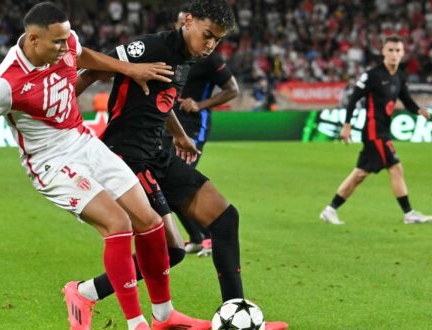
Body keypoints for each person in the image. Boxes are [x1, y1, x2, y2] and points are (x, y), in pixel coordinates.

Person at [0, 3, 209, 330]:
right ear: (33, 40)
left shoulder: (66, 41)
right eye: (58, 43)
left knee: (149, 221)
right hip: (51, 163)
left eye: (67, 39)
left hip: (84, 141)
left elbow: (84, 54)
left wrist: (128, 68)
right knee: (118, 223)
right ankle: (137, 324)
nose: (66, 48)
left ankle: (164, 316)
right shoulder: (3, 84)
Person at [70, 1, 288, 329]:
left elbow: (161, 99)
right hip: (125, 156)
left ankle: (236, 314)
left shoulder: (186, 59)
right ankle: (85, 293)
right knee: (169, 247)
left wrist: (180, 134)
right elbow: (91, 71)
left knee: (223, 219)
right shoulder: (149, 46)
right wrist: (62, 119)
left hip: (159, 154)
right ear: (188, 21)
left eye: (217, 40)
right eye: (207, 35)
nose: (210, 45)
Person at [320, 35, 432, 225]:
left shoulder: (398, 76)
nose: (394, 54)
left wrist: (419, 110)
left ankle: (330, 209)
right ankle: (409, 213)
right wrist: (347, 125)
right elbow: (353, 100)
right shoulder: (372, 75)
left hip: (381, 132)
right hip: (374, 133)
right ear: (383, 52)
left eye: (398, 50)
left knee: (359, 175)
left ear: (403, 53)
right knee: (396, 168)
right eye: (390, 50)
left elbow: (406, 100)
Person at [162, 5, 240, 256]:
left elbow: (232, 90)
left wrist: (200, 104)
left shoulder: (210, 58)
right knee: (166, 182)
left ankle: (209, 237)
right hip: (170, 123)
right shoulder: (173, 54)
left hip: (196, 125)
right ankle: (196, 237)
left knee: (181, 180)